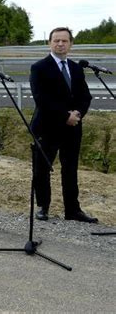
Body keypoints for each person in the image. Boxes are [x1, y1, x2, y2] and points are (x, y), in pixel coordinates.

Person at [30, 27, 97, 223]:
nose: (60, 44)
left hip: (72, 128)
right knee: (42, 168)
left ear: (70, 44)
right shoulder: (39, 67)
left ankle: (72, 210)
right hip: (47, 127)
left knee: (70, 169)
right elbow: (41, 99)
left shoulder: (76, 68)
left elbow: (85, 96)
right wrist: (64, 116)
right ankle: (43, 206)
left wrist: (78, 114)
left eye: (64, 41)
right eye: (56, 40)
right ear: (49, 43)